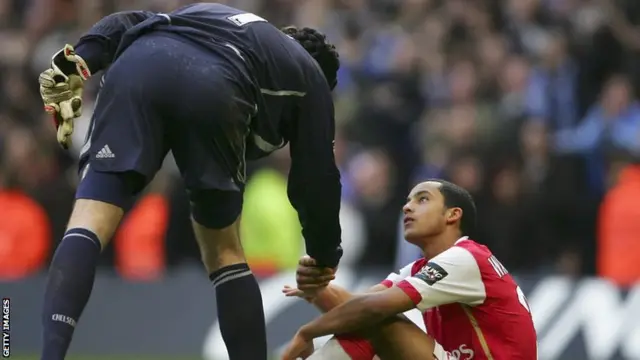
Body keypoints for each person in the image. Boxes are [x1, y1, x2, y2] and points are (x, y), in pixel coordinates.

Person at [36, 3, 342, 360]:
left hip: (138, 65)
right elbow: (317, 177)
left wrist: (79, 60)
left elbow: (132, 19)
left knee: (89, 219)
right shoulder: (311, 78)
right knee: (225, 252)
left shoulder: (215, 13)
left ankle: (50, 354)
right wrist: (323, 256)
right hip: (218, 85)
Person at [281, 180, 538, 360]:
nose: (407, 207)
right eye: (408, 201)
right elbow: (361, 304)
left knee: (376, 321)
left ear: (452, 215)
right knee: (366, 326)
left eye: (422, 199)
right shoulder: (421, 267)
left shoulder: (466, 257)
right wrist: (317, 289)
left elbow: (373, 309)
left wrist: (308, 332)